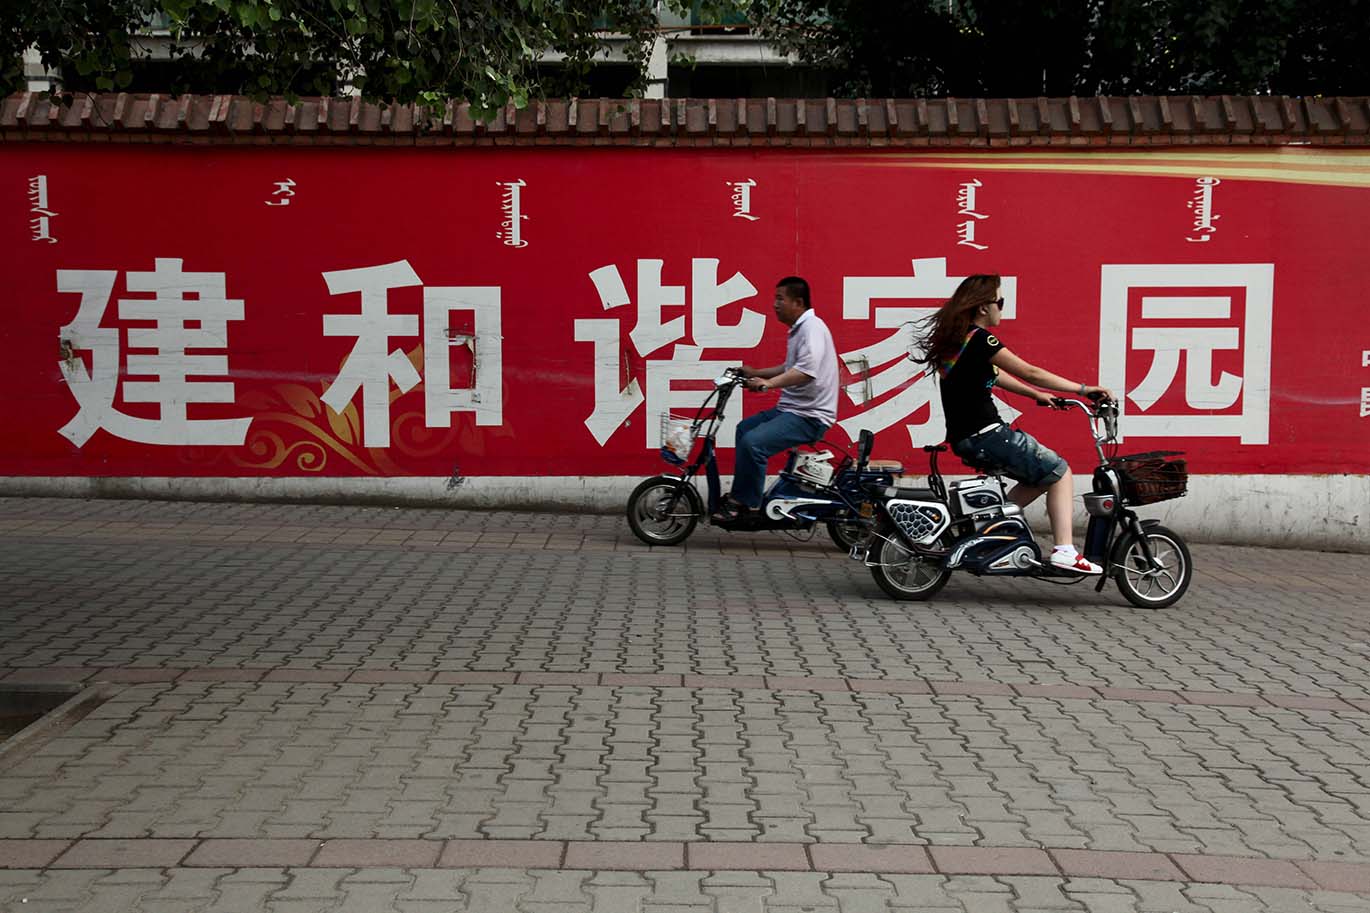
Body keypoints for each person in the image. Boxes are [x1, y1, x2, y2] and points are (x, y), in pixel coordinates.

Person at [914, 274, 1113, 574]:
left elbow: (994, 374)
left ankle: (987, 533)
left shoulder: (958, 341)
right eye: (1000, 302)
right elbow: (1029, 371)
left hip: (965, 437)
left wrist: (1037, 395)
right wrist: (1083, 390)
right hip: (987, 434)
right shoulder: (980, 339)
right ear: (983, 307)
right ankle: (1065, 550)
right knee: (1059, 472)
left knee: (1039, 477)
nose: (1002, 310)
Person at [714, 276, 840, 521]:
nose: (774, 304)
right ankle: (742, 495)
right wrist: (756, 373)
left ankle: (748, 505)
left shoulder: (812, 327)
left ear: (798, 302)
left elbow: (805, 372)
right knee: (744, 430)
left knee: (754, 443)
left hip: (810, 416)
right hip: (792, 410)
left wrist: (767, 385)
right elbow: (789, 367)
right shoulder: (800, 330)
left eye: (780, 299)